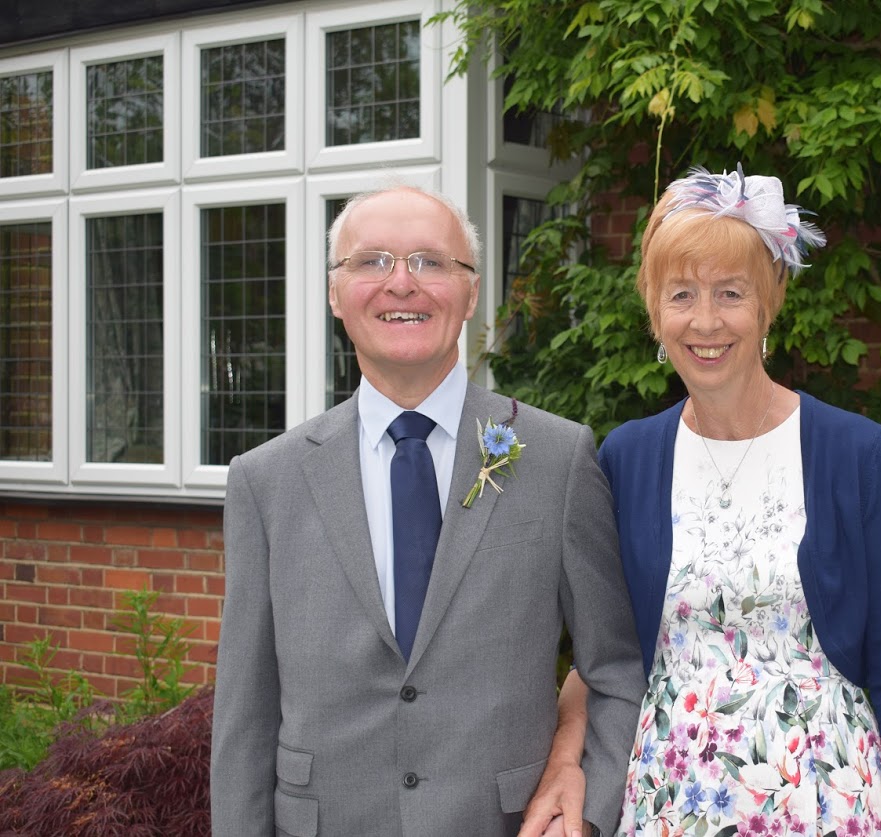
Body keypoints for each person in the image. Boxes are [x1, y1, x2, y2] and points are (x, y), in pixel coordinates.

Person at [210, 183, 645, 837]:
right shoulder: (263, 482)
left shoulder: (556, 459)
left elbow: (614, 667)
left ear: (470, 294)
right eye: (372, 260)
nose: (401, 283)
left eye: (430, 261)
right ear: (335, 293)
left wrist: (588, 811)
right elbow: (244, 715)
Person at [523, 166, 881, 836]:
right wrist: (564, 763)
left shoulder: (855, 452)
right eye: (680, 293)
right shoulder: (625, 458)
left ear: (768, 304)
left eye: (730, 292)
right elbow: (604, 656)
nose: (705, 320)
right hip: (669, 805)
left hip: (825, 804)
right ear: (655, 312)